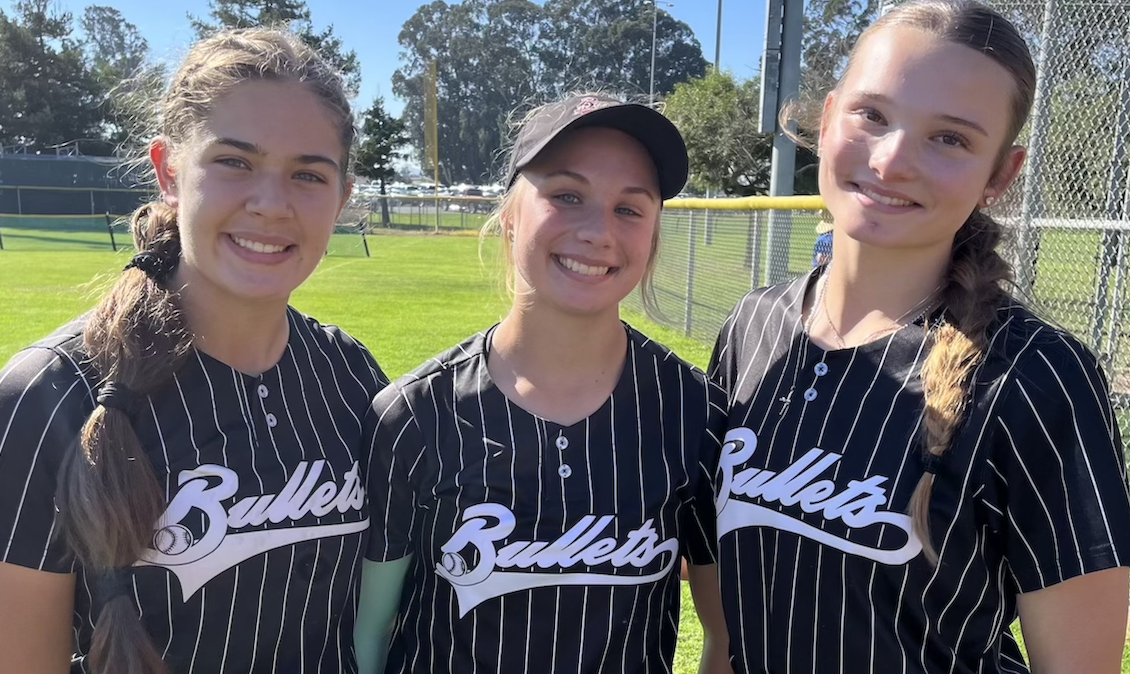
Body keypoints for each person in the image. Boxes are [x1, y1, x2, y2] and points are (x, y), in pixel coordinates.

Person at [708, 1, 1130, 672]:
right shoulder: (753, 327)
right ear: (828, 118)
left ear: (1001, 175)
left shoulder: (1036, 374)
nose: (892, 159)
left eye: (951, 138)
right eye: (872, 115)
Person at [0, 29, 388, 674]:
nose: (271, 204)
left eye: (308, 174)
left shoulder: (351, 376)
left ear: (342, 199)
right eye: (234, 162)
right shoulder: (51, 393)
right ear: (169, 171)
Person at [355, 93, 731, 674]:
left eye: (629, 208)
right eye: (567, 196)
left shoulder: (694, 412)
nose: (598, 231)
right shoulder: (415, 414)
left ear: (654, 234)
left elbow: (724, 637)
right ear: (510, 216)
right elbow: (371, 630)